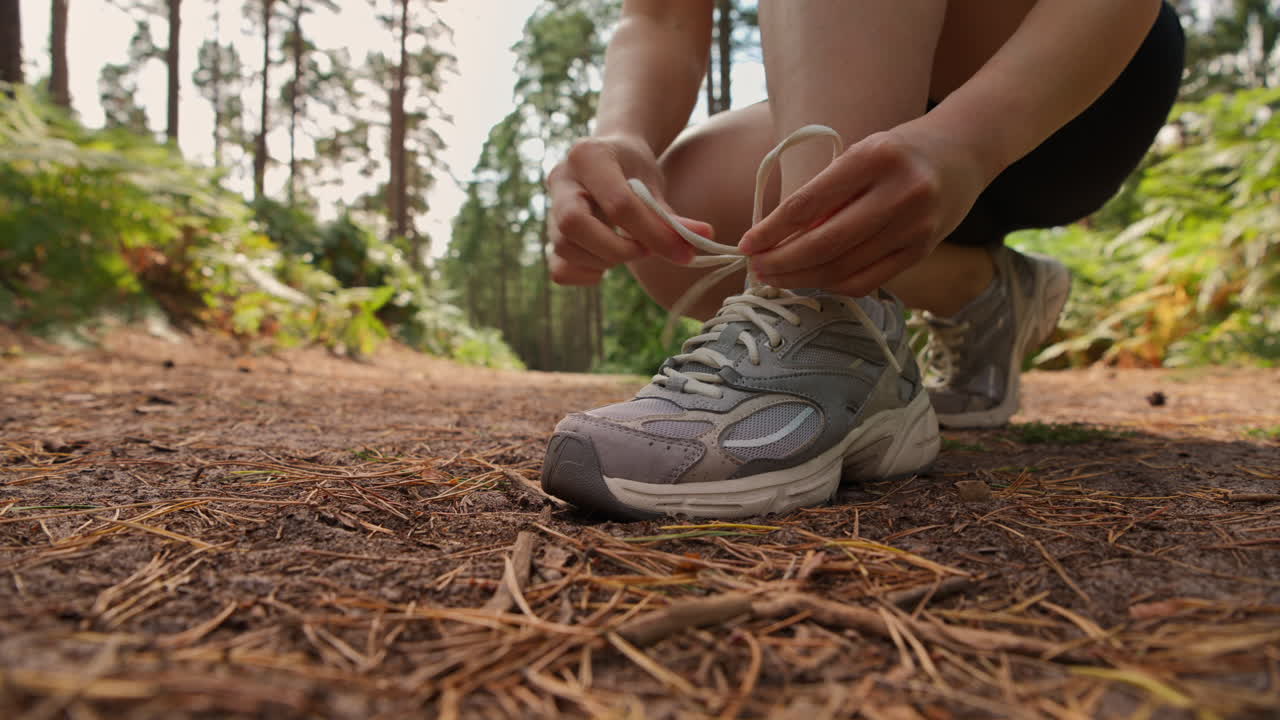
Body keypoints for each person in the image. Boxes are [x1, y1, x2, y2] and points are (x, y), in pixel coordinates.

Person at [539, 1, 1185, 519]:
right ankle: (977, 296)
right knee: (671, 215)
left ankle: (822, 318)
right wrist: (622, 135)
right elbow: (662, 17)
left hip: (1076, 71)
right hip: (876, 91)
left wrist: (970, 140)